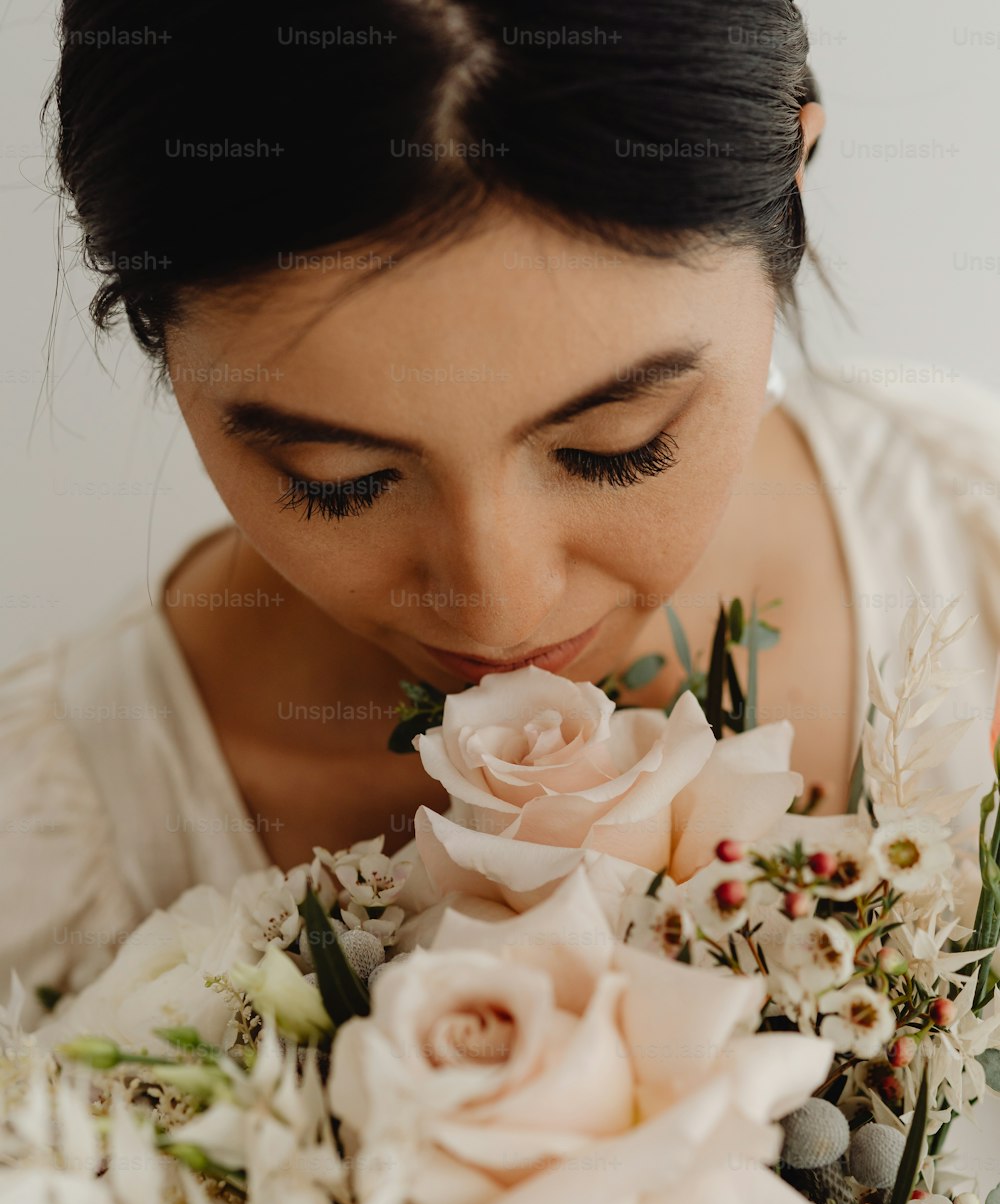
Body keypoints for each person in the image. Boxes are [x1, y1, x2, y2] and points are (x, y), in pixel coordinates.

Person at [2, 0, 999, 1016]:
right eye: (339, 480)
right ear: (155, 329)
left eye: (615, 448)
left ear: (787, 189)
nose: (500, 612)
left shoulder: (976, 543)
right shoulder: (40, 867)